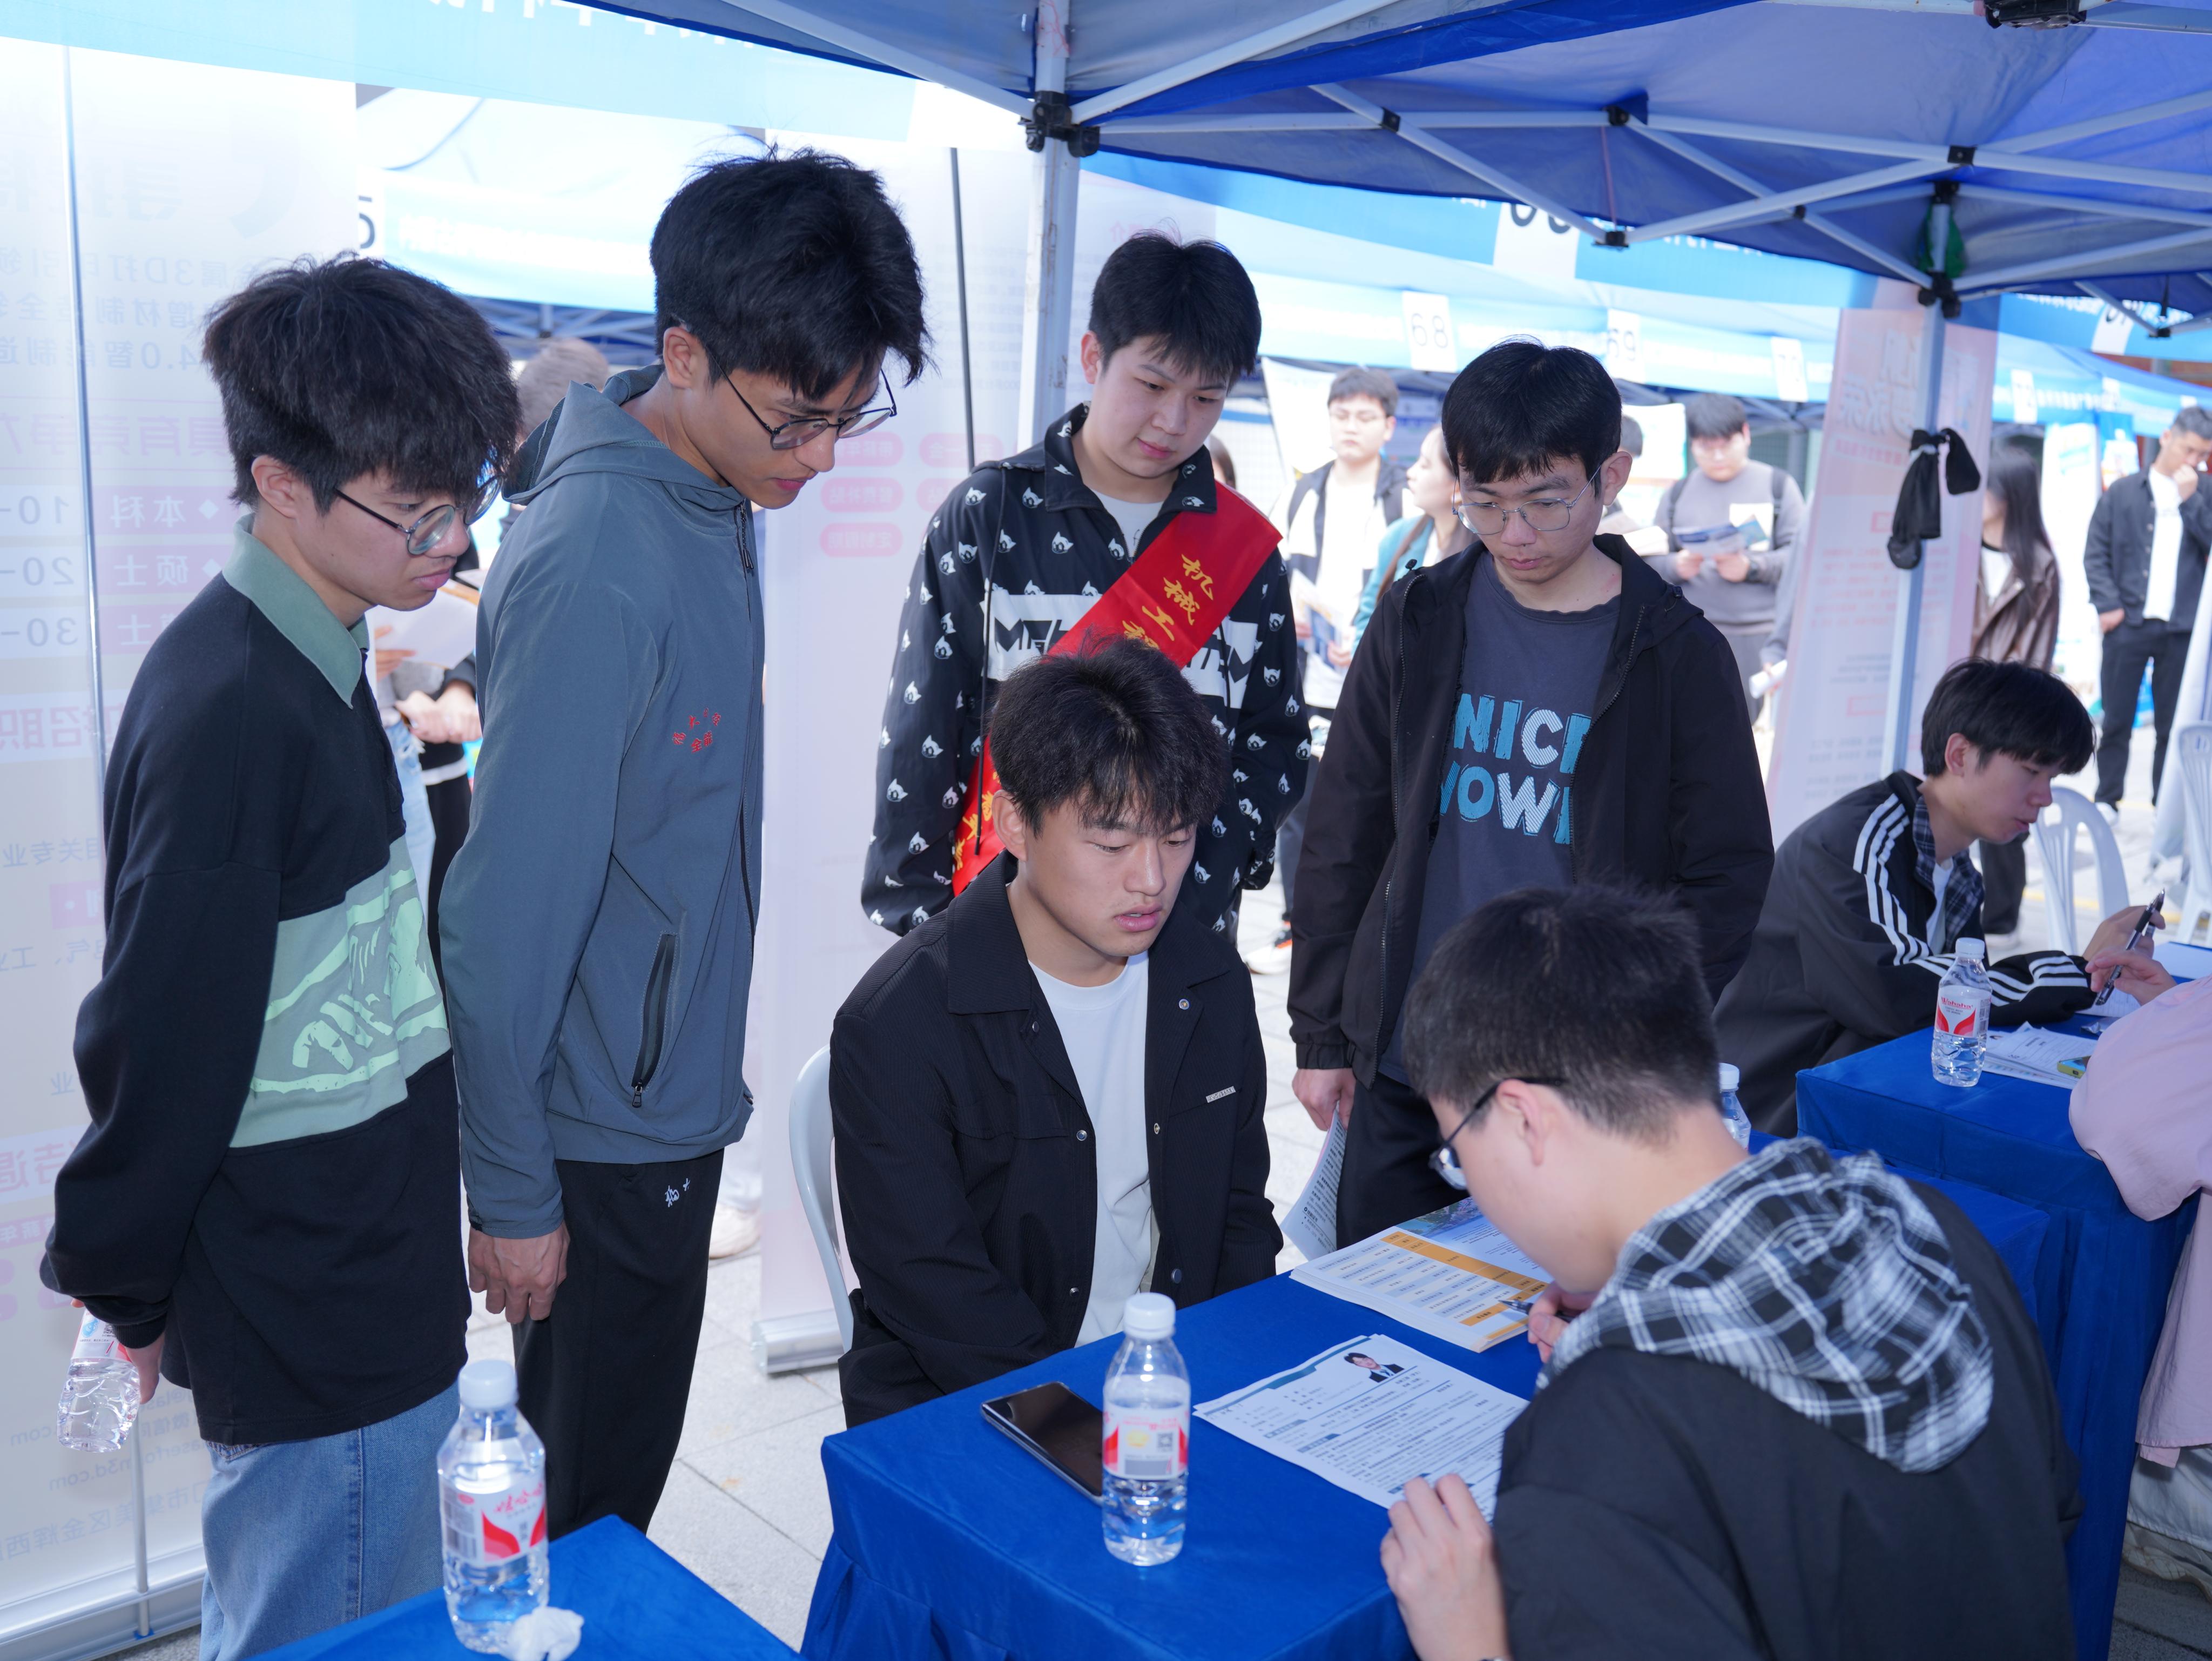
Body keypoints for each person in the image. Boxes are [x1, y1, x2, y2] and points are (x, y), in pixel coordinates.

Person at [439, 150, 927, 1537]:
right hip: (604, 1125)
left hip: (656, 1092)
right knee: (583, 1515)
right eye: (798, 419)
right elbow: (502, 911)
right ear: (684, 352)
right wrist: (514, 1189)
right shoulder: (600, 554)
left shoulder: (709, 490)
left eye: (847, 415)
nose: (821, 456)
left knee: (610, 1488)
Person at [41, 255, 518, 1659]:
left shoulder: (317, 650)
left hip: (361, 1254)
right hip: (318, 1302)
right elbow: (160, 1035)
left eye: (466, 496)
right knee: (332, 1619)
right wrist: (119, 1282)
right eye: (414, 509)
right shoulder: (235, 708)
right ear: (279, 483)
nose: (448, 541)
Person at [1382, 886, 2080, 1661]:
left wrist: (1468, 1645)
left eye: (1459, 1154)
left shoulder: (1596, 1446)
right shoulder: (1930, 1227)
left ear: (1523, 1117)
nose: (1472, 1182)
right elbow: (2047, 1507)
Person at [1290, 339, 1773, 1246]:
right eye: (1485, 502)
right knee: (1377, 1303)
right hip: (1408, 1062)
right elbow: (1345, 826)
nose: (1514, 533)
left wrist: (1630, 1025)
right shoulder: (1421, 616)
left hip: (1577, 1081)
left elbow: (1729, 872)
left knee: (1548, 1307)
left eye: (1546, 502)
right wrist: (1321, 1032)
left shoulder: (1677, 656)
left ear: (1609, 476)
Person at [831, 640, 1278, 1424]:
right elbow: (935, 1290)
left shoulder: (1208, 982)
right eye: (1111, 843)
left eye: (1177, 837)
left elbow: (1239, 1219)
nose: (1151, 878)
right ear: (1015, 823)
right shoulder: (898, 1024)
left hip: (1169, 1378)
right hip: (972, 1400)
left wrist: (1232, 1384)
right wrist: (1081, 1434)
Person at [861, 231, 1300, 944]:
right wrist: (926, 926)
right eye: (1152, 385)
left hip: (1176, 938)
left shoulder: (1246, 553)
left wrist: (1200, 881)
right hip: (1004, 930)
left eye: (1205, 397)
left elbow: (1274, 743)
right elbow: (927, 724)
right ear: (1094, 356)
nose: (1173, 421)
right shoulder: (988, 515)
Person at [1715, 657, 2144, 1132]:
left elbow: (1962, 1005)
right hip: (1769, 1113)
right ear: (1959, 755)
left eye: (2053, 778)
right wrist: (2079, 970)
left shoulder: (1957, 869)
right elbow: (1898, 994)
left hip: (1850, 1093)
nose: (2044, 796)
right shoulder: (1855, 843)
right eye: (2031, 771)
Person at [1245, 368, 1410, 974]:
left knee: (1375, 807)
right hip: (1308, 678)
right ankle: (1297, 925)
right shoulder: (1303, 491)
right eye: (1341, 415)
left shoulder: (1404, 498)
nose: (1351, 427)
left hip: (1378, 684)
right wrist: (1292, 613)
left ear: (1388, 427)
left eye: (1365, 417)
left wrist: (1370, 641)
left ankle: (1372, 927)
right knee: (1300, 809)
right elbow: (1269, 571)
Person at [2084, 406, 2212, 823]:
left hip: (2182, 628)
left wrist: (2192, 500)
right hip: (2128, 623)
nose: (2195, 461)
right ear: (2167, 437)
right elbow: (2096, 550)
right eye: (2189, 449)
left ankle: (2164, 805)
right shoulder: (2124, 492)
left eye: (2203, 454)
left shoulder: (2204, 492)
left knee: (2172, 724)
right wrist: (2108, 604)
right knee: (2117, 717)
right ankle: (2107, 799)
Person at [1648, 392, 1806, 721]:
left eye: (1726, 444)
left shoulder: (1778, 486)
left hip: (1756, 636)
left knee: (1742, 729)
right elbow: (1649, 560)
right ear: (1692, 445)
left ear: (1746, 435)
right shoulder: (1677, 494)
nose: (1718, 456)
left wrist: (1752, 567)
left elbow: (1800, 559)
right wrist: (1675, 565)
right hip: (1688, 630)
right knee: (1687, 727)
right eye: (1706, 447)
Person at [1972, 442, 2063, 936]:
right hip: (1951, 702)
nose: (1974, 495)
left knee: (2003, 816)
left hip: (2007, 711)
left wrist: (2001, 709)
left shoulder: (2039, 566)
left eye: (1984, 487)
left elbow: (2036, 654)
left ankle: (2000, 920)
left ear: (2009, 495)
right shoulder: (1955, 551)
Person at [1347, 422, 1474, 647]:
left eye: (1425, 465)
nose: (1411, 473)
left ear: (1458, 487)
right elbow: (1369, 614)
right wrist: (1360, 656)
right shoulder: (1399, 535)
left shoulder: (1484, 552)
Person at [1594, 412, 1645, 537]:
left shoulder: (1614, 502)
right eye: (1616, 462)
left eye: (1627, 465)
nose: (1619, 472)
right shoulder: (1580, 493)